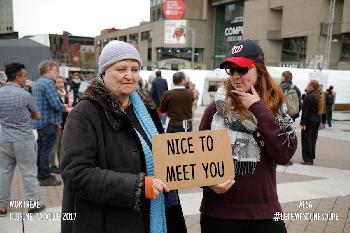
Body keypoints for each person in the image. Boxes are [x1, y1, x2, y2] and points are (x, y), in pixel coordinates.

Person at [60, 40, 186, 233]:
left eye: (135, 69)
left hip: (149, 215)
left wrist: (202, 174)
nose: (129, 76)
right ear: (103, 73)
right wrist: (138, 186)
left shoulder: (145, 108)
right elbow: (75, 173)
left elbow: (163, 153)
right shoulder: (85, 113)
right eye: (121, 69)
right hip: (107, 221)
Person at [199, 40, 297, 233]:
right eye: (231, 70)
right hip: (220, 213)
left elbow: (284, 154)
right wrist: (208, 182)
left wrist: (258, 108)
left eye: (242, 69)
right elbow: (198, 155)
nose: (235, 76)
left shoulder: (274, 108)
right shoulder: (216, 109)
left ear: (259, 70)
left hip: (264, 212)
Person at [0, 63, 45, 217]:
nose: (26, 79)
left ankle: (2, 206)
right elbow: (37, 115)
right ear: (18, 77)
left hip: (4, 139)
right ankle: (33, 203)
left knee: (4, 172)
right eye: (24, 76)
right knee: (29, 172)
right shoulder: (25, 95)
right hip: (24, 138)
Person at [32, 60, 68, 186]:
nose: (56, 73)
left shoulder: (37, 83)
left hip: (39, 122)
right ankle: (45, 177)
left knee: (41, 150)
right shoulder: (48, 83)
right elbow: (55, 103)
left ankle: (41, 173)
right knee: (46, 151)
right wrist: (67, 108)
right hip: (49, 122)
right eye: (55, 70)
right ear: (48, 71)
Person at [300, 80, 323, 165]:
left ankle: (308, 159)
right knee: (313, 139)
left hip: (308, 122)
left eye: (308, 85)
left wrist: (302, 123)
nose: (307, 86)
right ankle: (311, 157)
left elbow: (305, 112)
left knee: (306, 140)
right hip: (316, 120)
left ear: (312, 86)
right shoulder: (318, 95)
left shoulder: (309, 97)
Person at [50, 76, 69, 174]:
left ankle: (62, 164)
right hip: (57, 123)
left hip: (66, 123)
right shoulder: (54, 95)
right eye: (58, 83)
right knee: (55, 145)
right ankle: (53, 165)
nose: (60, 84)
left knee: (63, 145)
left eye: (62, 82)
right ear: (54, 84)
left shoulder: (67, 94)